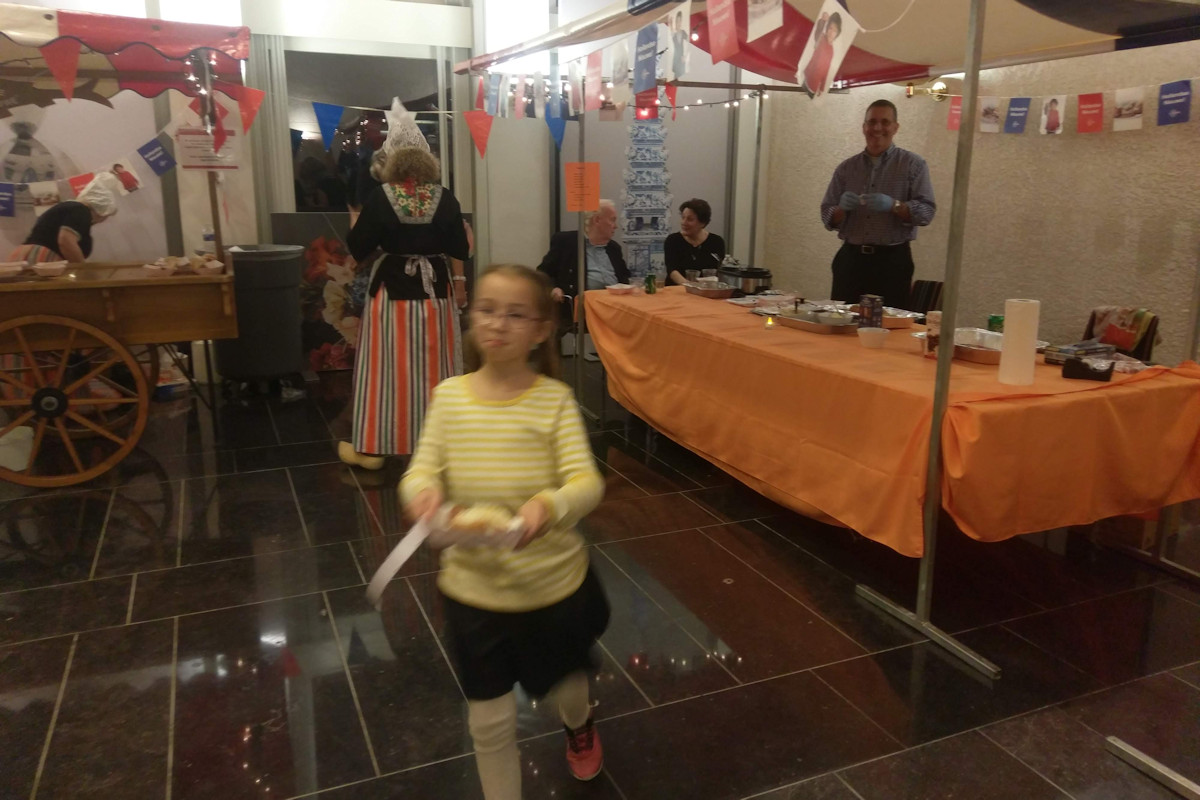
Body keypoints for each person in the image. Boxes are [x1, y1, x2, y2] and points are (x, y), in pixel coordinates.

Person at [401, 264, 608, 800]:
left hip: (552, 587)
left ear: (541, 330)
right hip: (473, 591)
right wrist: (421, 495)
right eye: (487, 310)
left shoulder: (553, 400)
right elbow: (421, 470)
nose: (497, 323)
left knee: (568, 685)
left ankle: (579, 726)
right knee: (489, 723)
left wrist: (547, 506)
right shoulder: (449, 397)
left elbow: (587, 482)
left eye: (516, 314)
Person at [339, 137, 470, 470]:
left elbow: (358, 246)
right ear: (429, 168)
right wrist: (459, 281)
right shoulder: (445, 198)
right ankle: (441, 446)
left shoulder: (381, 196)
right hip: (435, 293)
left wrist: (355, 220)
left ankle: (375, 448)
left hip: (391, 292)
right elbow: (460, 248)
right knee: (438, 367)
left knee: (385, 368)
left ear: (394, 169)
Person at [820, 99, 936, 309]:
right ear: (864, 127)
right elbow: (827, 215)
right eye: (872, 122)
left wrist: (894, 205)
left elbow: (926, 212)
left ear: (895, 127)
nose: (877, 128)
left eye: (885, 122)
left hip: (892, 262)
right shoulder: (846, 168)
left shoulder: (913, 164)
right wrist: (841, 209)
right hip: (851, 260)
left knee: (890, 323)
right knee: (843, 321)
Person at [537, 200, 628, 337]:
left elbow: (624, 277)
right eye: (612, 220)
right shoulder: (566, 242)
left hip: (614, 308)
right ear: (597, 220)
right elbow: (543, 273)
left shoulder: (614, 248)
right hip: (581, 310)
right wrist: (553, 288)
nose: (616, 226)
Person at [6, 172, 119, 264]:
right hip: (42, 262)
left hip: (29, 258)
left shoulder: (71, 208)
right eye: (106, 215)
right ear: (100, 211)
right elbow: (65, 241)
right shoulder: (81, 210)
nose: (104, 220)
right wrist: (82, 270)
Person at [664, 198, 725, 285]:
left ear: (703, 223)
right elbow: (672, 270)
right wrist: (689, 286)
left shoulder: (716, 242)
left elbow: (716, 271)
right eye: (683, 217)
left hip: (706, 289)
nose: (683, 222)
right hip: (677, 289)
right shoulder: (673, 240)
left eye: (690, 219)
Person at [801, 11, 842, 98]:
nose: (831, 32)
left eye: (835, 30)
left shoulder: (832, 51)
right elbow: (818, 32)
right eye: (830, 28)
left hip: (814, 87)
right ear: (827, 28)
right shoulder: (822, 38)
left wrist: (822, 88)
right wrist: (823, 21)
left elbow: (826, 70)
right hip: (806, 80)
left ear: (837, 34)